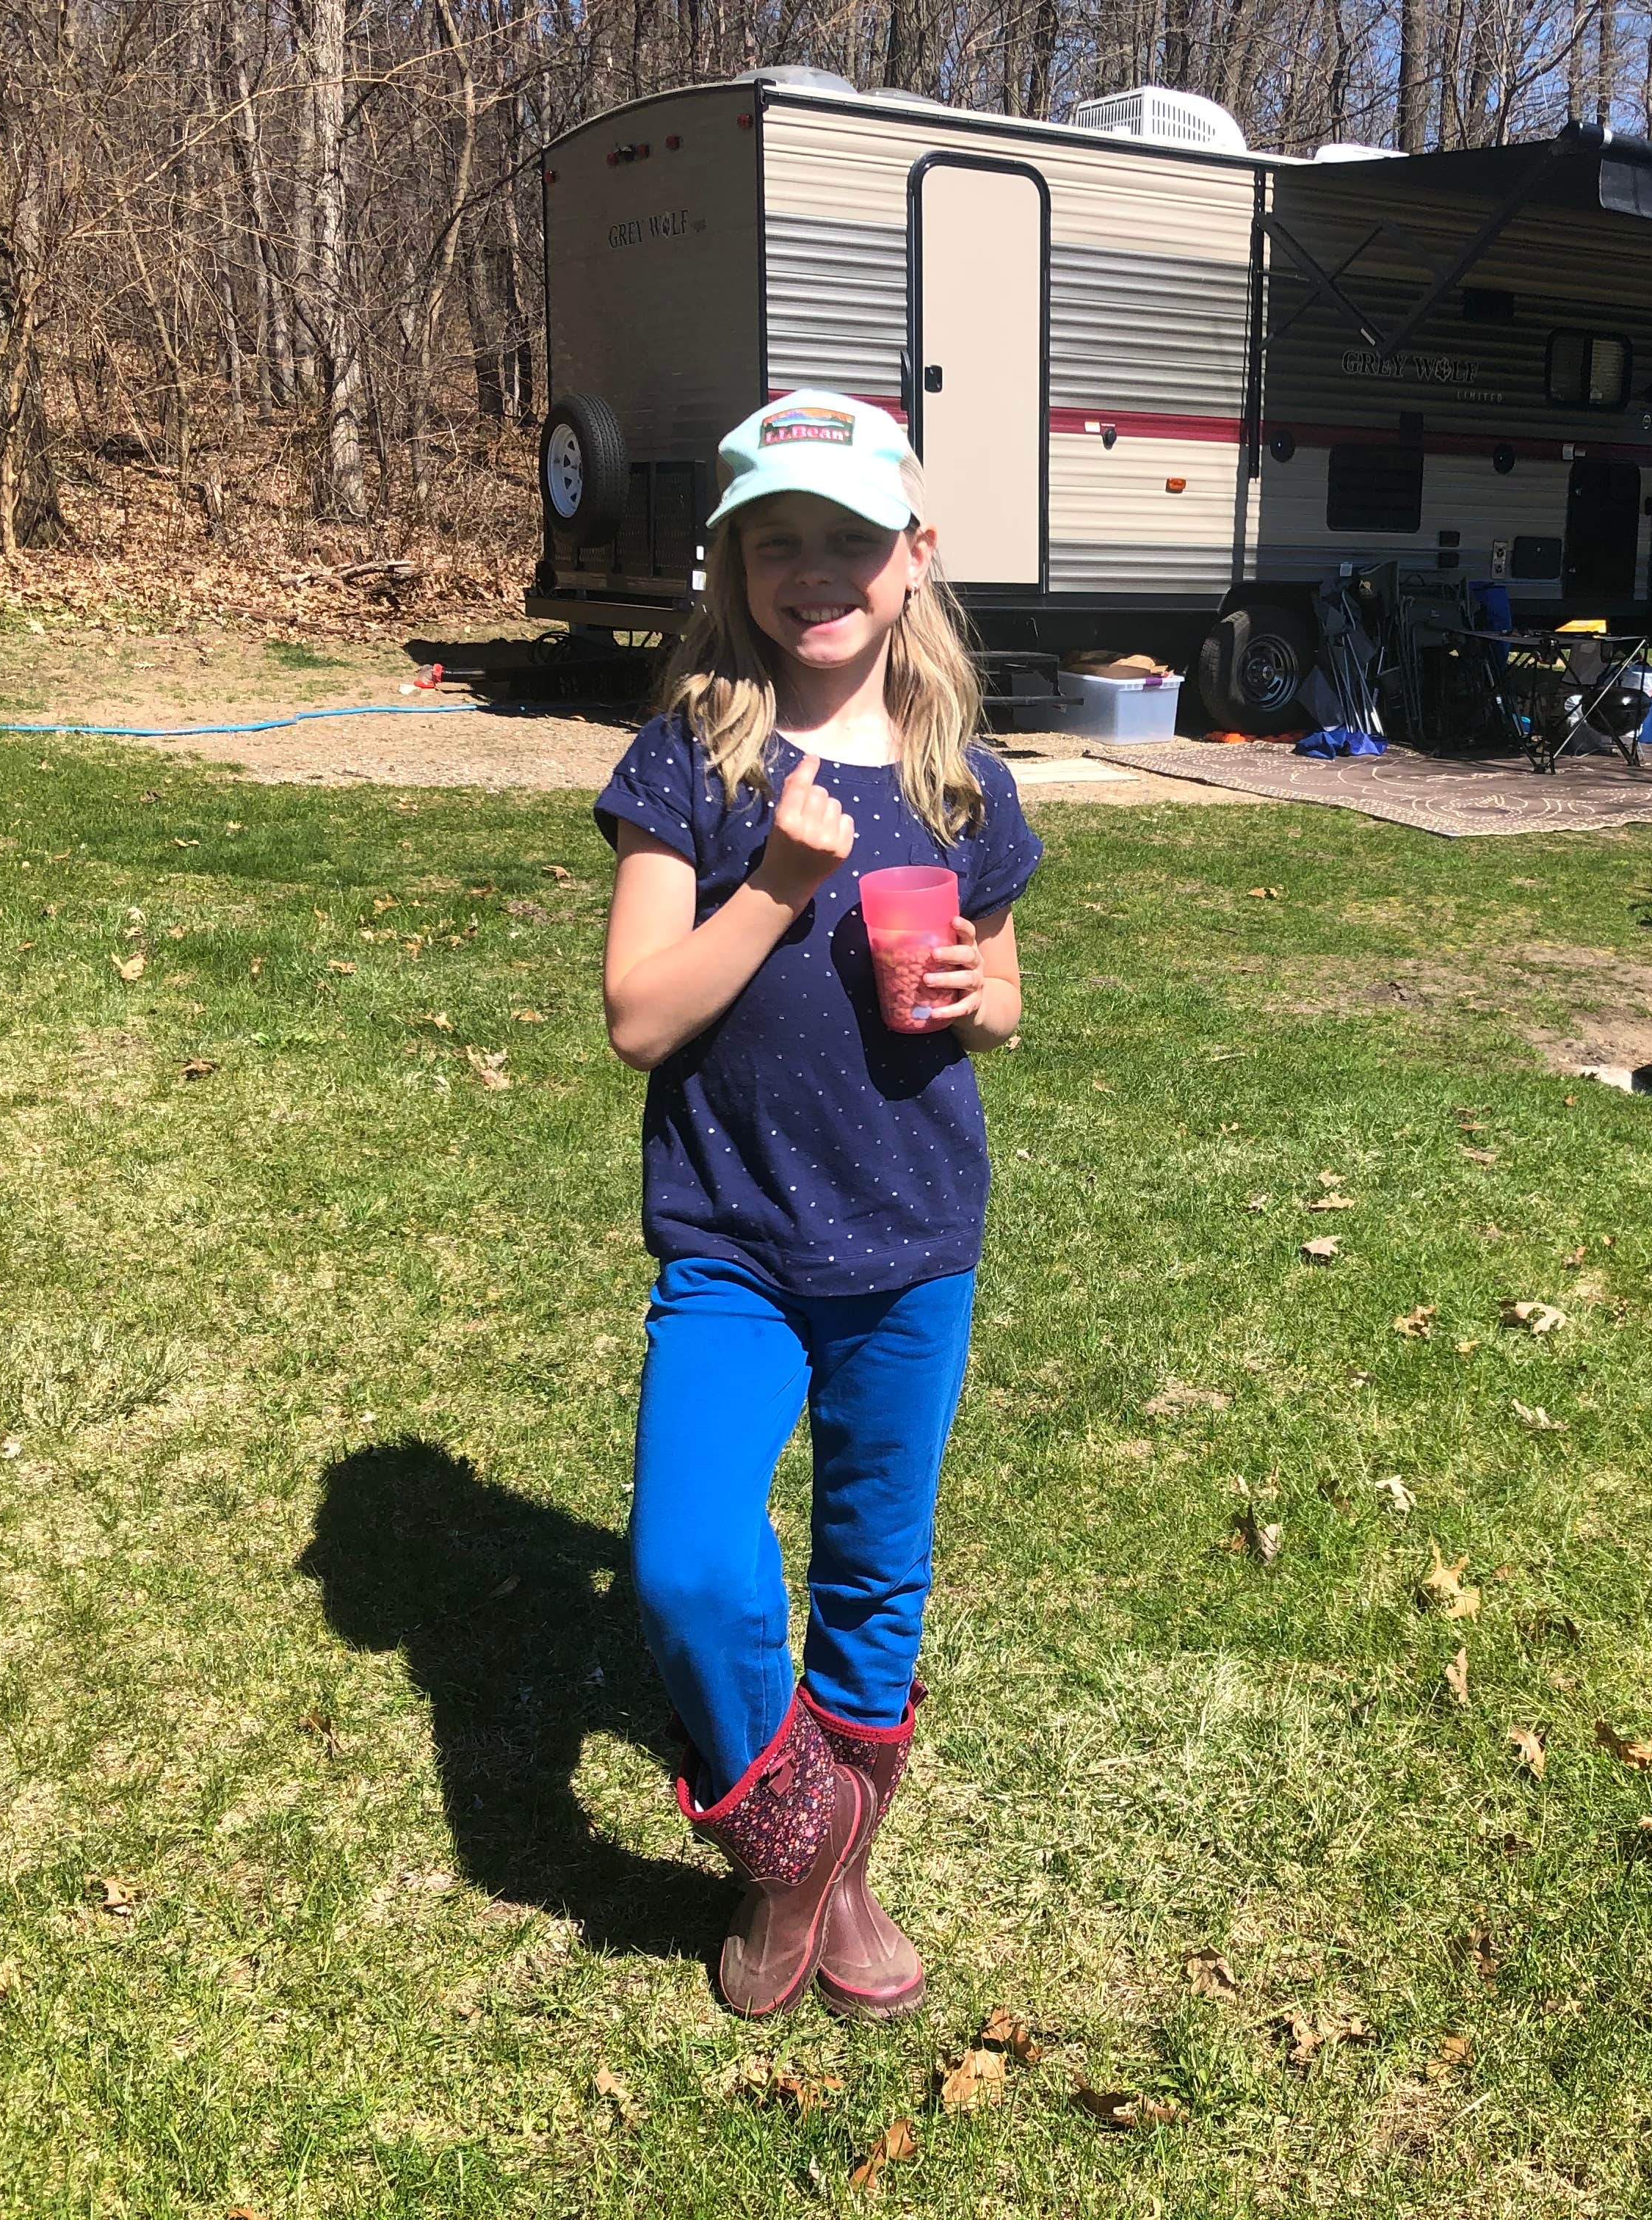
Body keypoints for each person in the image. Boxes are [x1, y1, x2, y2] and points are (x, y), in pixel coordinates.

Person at [593, 391, 1040, 2019]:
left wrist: (973, 993)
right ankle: (795, 1836)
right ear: (729, 566)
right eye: (776, 541)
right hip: (733, 1245)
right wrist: (780, 887)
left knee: (872, 1575)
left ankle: (815, 1892)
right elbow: (641, 1013)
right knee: (690, 1561)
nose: (814, 572)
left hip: (913, 1242)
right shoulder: (691, 767)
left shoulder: (960, 783)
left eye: (850, 539)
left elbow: (1007, 1001)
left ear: (915, 560)